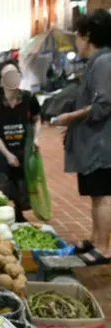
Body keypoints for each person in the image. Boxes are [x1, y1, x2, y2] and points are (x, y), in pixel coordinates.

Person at [53, 9, 111, 265]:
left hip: (101, 145)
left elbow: (104, 104)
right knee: (96, 196)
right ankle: (95, 239)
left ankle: (103, 248)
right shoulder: (99, 61)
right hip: (94, 142)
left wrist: (71, 117)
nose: (76, 41)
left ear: (87, 35)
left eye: (77, 35)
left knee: (103, 196)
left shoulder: (104, 62)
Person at [0, 61, 41, 222]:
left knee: (22, 184)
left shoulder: (29, 99)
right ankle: (9, 216)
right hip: (4, 151)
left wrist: (36, 139)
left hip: (25, 150)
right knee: (4, 185)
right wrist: (8, 155)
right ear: (0, 81)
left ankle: (19, 215)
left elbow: (37, 120)